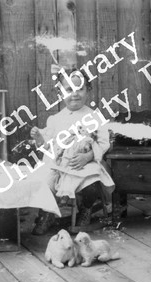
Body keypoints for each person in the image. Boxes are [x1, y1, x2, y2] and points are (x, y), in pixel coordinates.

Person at [30, 69, 114, 235]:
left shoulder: (95, 117)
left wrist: (88, 156)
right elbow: (47, 145)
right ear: (61, 93)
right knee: (44, 180)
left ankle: (86, 209)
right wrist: (39, 137)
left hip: (84, 164)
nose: (74, 94)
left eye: (80, 89)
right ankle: (47, 214)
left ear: (88, 91)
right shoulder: (55, 119)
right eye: (69, 90)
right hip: (60, 164)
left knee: (91, 182)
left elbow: (104, 143)